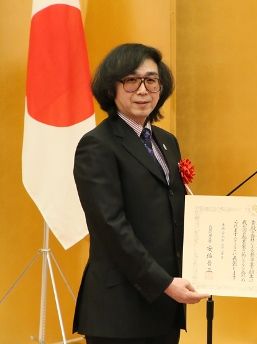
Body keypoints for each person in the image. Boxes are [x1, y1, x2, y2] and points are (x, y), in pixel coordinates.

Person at [72, 43, 208, 344]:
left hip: (165, 306)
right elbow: (111, 227)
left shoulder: (167, 142)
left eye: (151, 80)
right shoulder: (97, 145)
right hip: (120, 310)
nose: (143, 90)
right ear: (112, 87)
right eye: (131, 80)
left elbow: (174, 213)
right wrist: (163, 283)